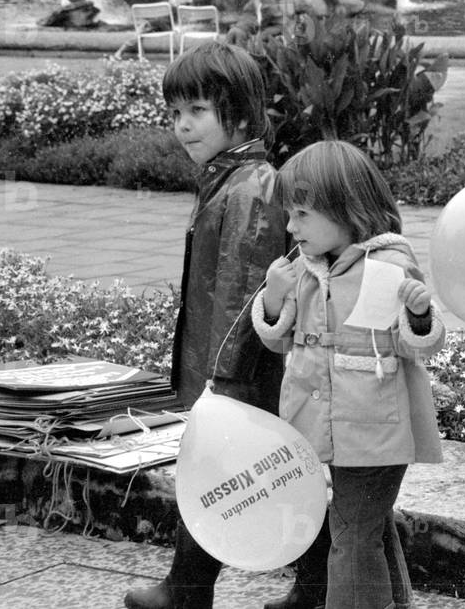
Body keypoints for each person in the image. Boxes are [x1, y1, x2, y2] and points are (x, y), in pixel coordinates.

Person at [122, 41, 296, 609]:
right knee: (255, 477)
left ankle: (187, 590)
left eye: (197, 111)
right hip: (230, 370)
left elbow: (240, 293)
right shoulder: (229, 179)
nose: (182, 126)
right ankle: (198, 589)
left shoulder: (251, 188)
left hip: (238, 371)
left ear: (240, 115)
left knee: (229, 475)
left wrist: (222, 381)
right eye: (175, 113)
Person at [252, 140, 445, 609]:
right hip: (334, 429)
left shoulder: (388, 266)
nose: (290, 226)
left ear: (346, 208)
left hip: (375, 429)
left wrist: (418, 316)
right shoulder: (303, 268)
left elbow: (418, 342)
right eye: (289, 214)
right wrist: (274, 298)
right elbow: (277, 338)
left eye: (301, 214)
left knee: (353, 536)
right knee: (365, 526)